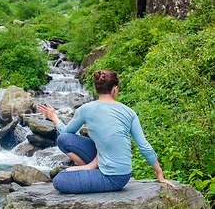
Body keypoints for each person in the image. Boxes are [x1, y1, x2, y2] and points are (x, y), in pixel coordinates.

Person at [37, 69, 174, 194]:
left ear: (96, 88)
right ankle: (91, 168)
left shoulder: (85, 108)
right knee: (64, 140)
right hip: (116, 168)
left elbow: (66, 130)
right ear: (115, 89)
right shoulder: (129, 112)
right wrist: (159, 172)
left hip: (114, 177)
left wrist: (54, 116)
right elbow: (144, 146)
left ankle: (90, 169)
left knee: (59, 179)